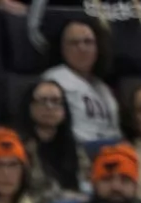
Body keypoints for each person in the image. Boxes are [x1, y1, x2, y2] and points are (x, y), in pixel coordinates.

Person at [42, 17, 121, 150]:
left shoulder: (102, 87)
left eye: (88, 42)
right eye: (74, 43)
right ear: (62, 48)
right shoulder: (54, 79)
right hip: (77, 152)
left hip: (112, 151)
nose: (82, 48)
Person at [16, 76, 87, 203]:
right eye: (42, 101)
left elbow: (86, 180)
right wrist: (64, 197)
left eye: (55, 101)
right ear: (29, 106)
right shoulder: (19, 146)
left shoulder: (73, 145)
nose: (49, 107)